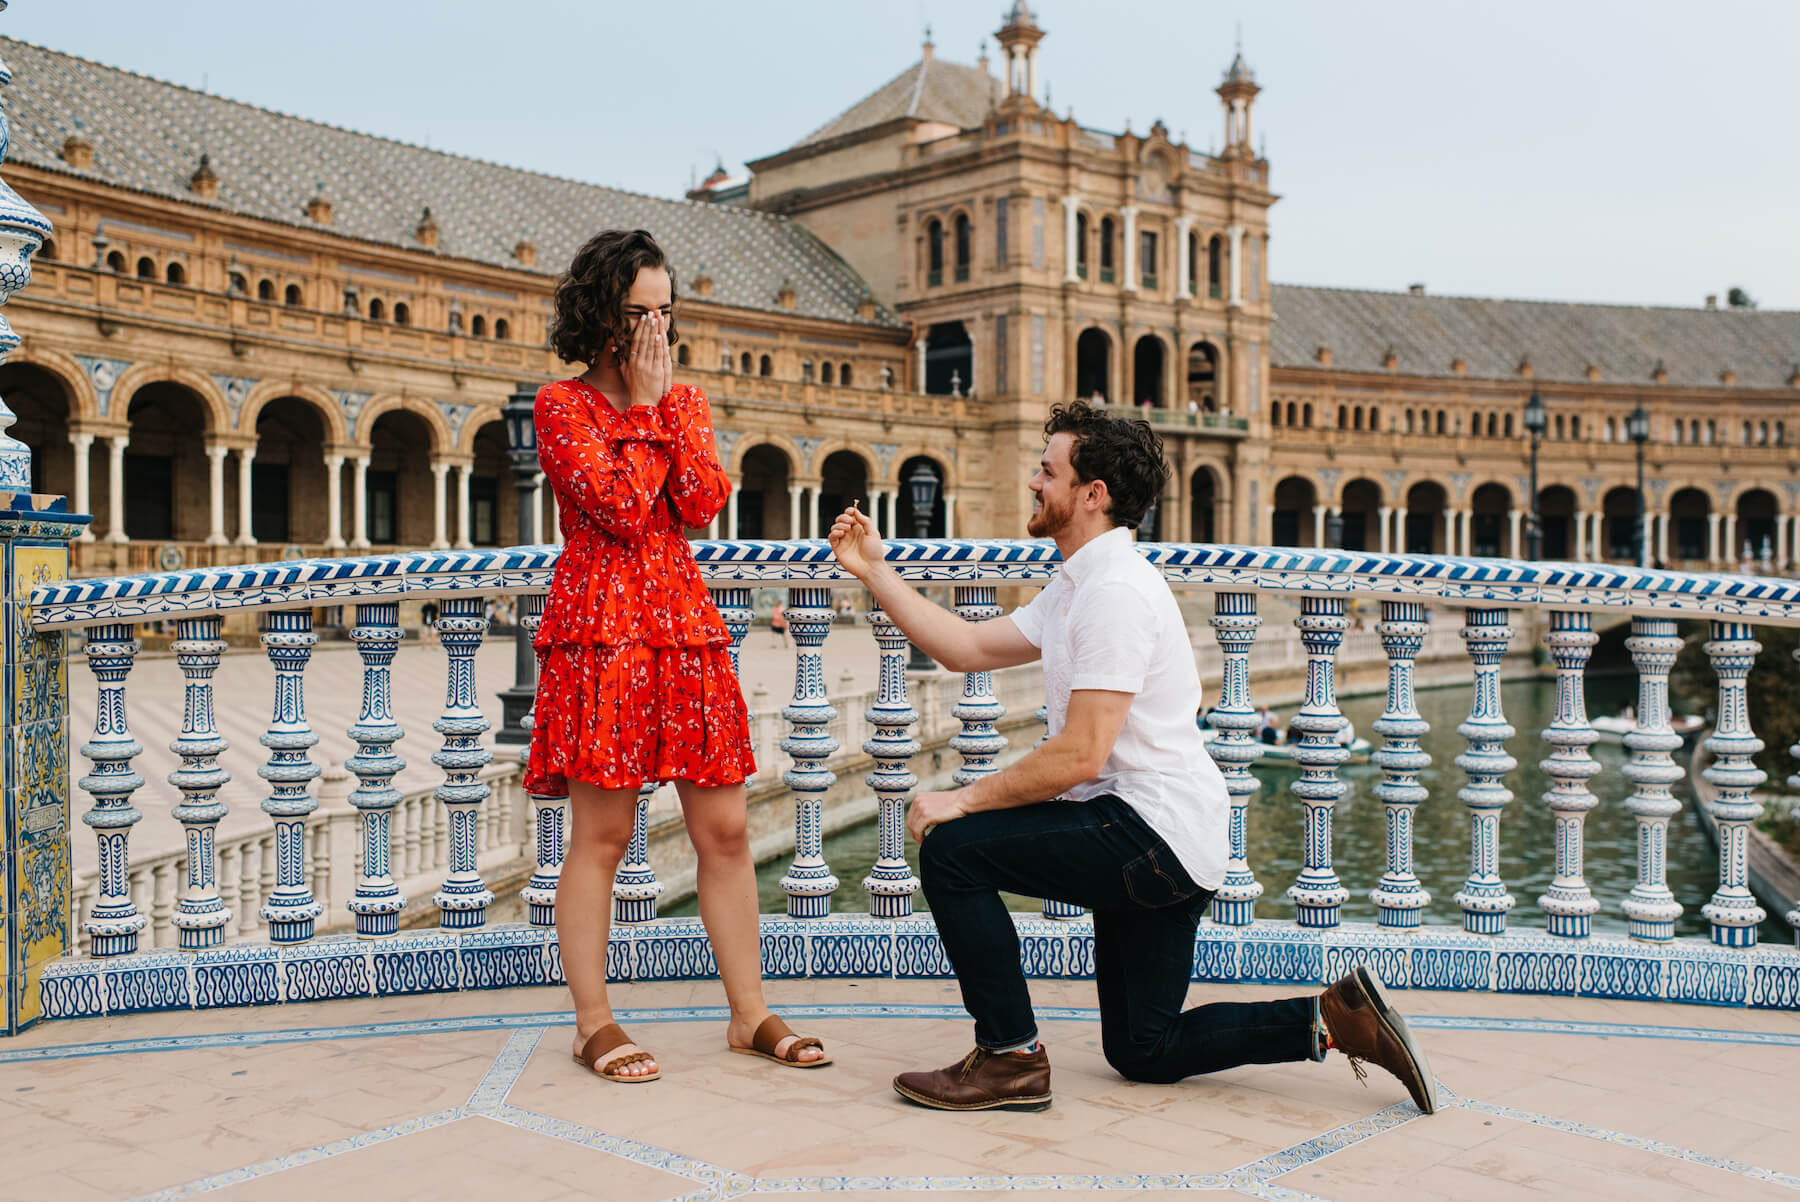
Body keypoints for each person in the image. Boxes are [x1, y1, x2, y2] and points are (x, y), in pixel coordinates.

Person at [828, 401, 1437, 1115]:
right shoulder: (1080, 584)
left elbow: (1082, 754)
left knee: (954, 851)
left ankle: (1009, 1057)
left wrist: (960, 801)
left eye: (1046, 471)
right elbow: (965, 648)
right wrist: (874, 570)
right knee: (1143, 1050)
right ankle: (1334, 1018)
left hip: (1149, 835)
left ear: (1093, 494)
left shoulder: (1114, 593)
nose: (1033, 483)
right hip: (1171, 841)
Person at [527, 228, 827, 1084]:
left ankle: (749, 1011)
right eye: (637, 313)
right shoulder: (562, 407)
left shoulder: (686, 402)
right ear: (600, 315)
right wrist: (649, 414)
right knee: (605, 832)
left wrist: (662, 409)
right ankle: (594, 1022)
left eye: (665, 311)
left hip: (682, 623)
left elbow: (698, 501)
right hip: (603, 626)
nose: (655, 330)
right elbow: (621, 508)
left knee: (726, 828)